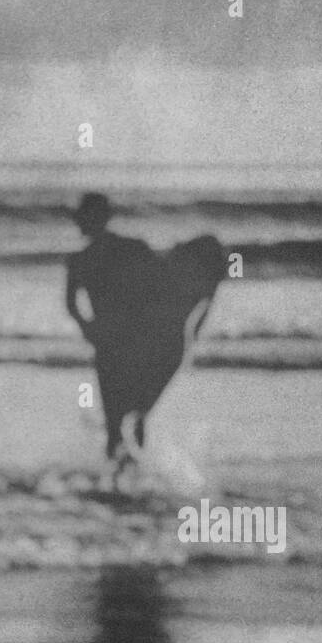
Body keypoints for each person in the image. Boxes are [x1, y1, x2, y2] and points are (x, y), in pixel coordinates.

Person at [66, 192, 219, 465]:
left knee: (125, 417)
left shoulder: (116, 251)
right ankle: (126, 477)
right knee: (127, 418)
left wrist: (88, 326)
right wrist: (87, 326)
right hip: (118, 343)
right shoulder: (105, 253)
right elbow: (72, 303)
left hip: (122, 343)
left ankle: (125, 478)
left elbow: (159, 284)